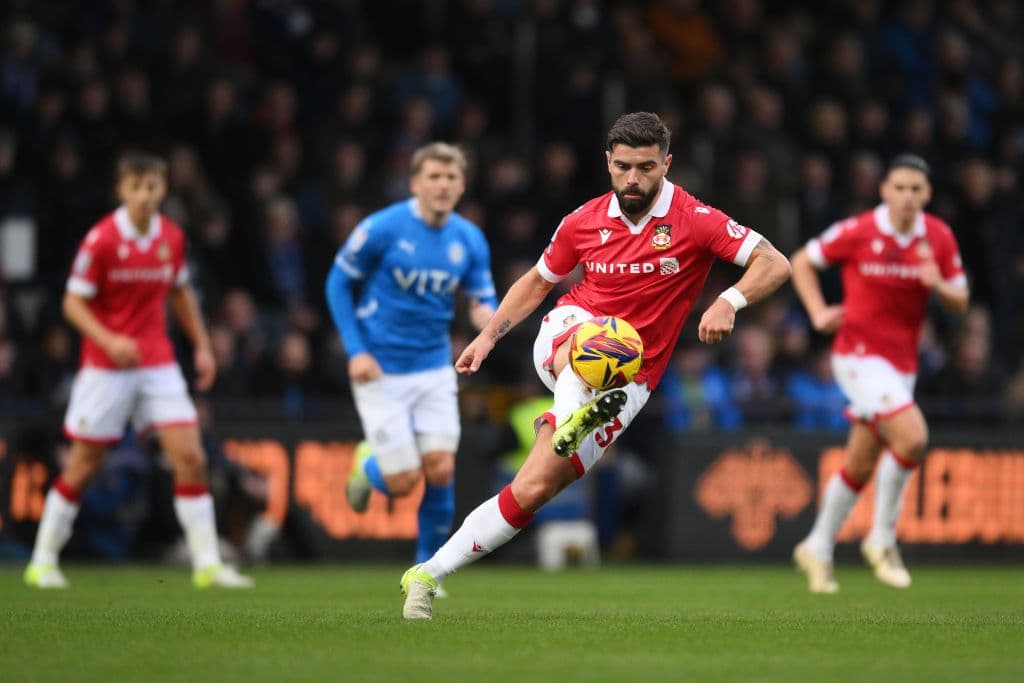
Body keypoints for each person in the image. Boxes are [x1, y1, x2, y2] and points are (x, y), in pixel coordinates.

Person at [399, 112, 791, 619]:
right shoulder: (581, 221)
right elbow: (539, 283)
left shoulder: (694, 219)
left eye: (646, 168)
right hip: (570, 331)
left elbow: (775, 262)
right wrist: (488, 336)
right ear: (608, 162)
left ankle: (427, 574)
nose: (633, 178)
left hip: (633, 380)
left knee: (534, 487)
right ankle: (568, 417)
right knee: (597, 343)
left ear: (666, 164)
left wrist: (729, 301)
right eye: (623, 166)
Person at [23, 152, 252, 589]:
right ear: (121, 190)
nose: (145, 195)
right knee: (84, 465)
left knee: (191, 457)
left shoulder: (171, 237)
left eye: (152, 187)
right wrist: (108, 340)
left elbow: (181, 294)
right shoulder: (102, 240)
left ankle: (207, 564)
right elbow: (72, 302)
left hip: (158, 363)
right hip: (106, 367)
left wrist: (202, 345)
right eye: (136, 187)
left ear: (163, 189)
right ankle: (42, 560)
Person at [791, 154, 968, 593]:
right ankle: (883, 539)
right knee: (913, 437)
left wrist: (938, 284)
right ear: (884, 190)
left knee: (860, 462)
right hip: (857, 355)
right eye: (900, 188)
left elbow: (961, 300)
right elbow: (802, 260)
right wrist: (816, 312)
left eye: (916, 190)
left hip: (901, 365)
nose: (908, 197)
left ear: (927, 195)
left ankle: (817, 546)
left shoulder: (939, 237)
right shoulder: (859, 230)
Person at [325, 142, 497, 586]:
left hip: (434, 367)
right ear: (416, 183)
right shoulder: (382, 228)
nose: (442, 185)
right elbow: (338, 284)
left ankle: (424, 573)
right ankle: (368, 468)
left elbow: (482, 299)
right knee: (402, 482)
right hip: (379, 367)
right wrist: (356, 350)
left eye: (451, 177)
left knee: (440, 468)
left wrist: (487, 320)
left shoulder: (469, 238)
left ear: (462, 185)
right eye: (434, 177)